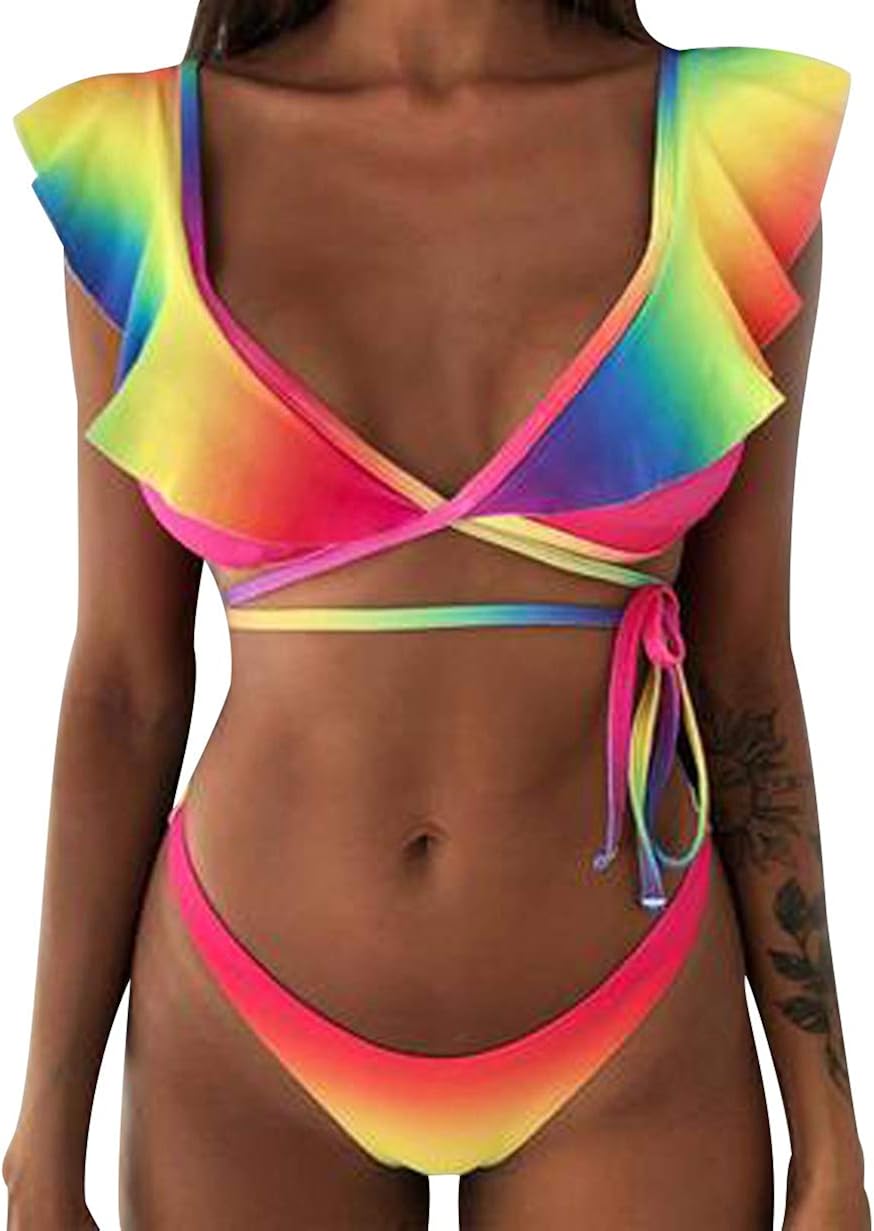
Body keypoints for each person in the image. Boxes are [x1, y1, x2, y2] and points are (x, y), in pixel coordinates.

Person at [4, 2, 869, 1227]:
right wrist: (42, 1142)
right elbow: (123, 688)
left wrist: (831, 1134)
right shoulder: (146, 165)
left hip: (633, 1041)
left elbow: (744, 671)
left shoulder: (726, 154)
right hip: (243, 1050)